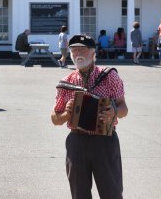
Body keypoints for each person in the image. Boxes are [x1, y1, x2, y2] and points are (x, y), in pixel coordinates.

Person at [51, 34, 128, 199]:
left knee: (112, 192)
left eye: (82, 50)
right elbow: (55, 119)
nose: (77, 53)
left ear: (93, 53)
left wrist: (114, 111)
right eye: (73, 50)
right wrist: (66, 114)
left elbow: (124, 108)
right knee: (79, 194)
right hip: (77, 142)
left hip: (104, 141)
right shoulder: (66, 82)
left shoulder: (109, 77)